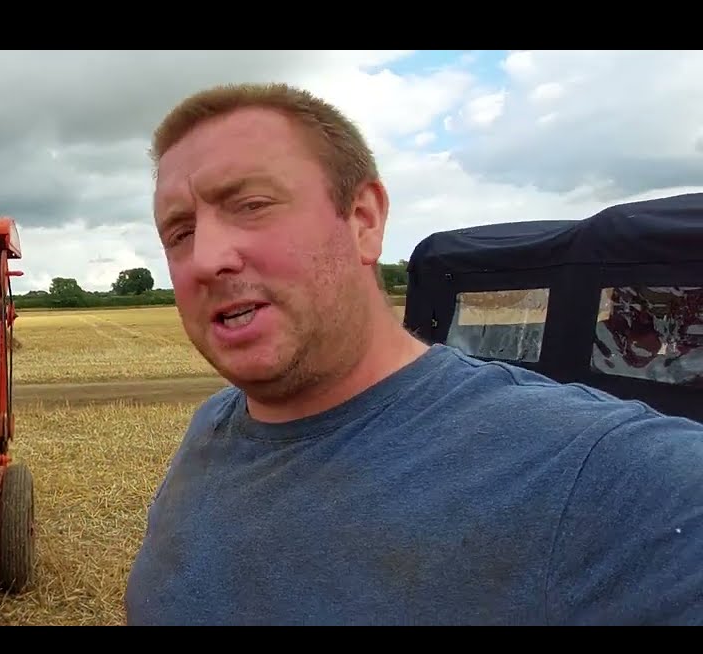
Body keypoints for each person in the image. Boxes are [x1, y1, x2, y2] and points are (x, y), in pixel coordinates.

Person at [123, 82, 703, 626]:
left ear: (362, 221)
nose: (205, 259)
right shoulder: (212, 429)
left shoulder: (595, 470)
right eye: (179, 233)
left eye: (250, 204)